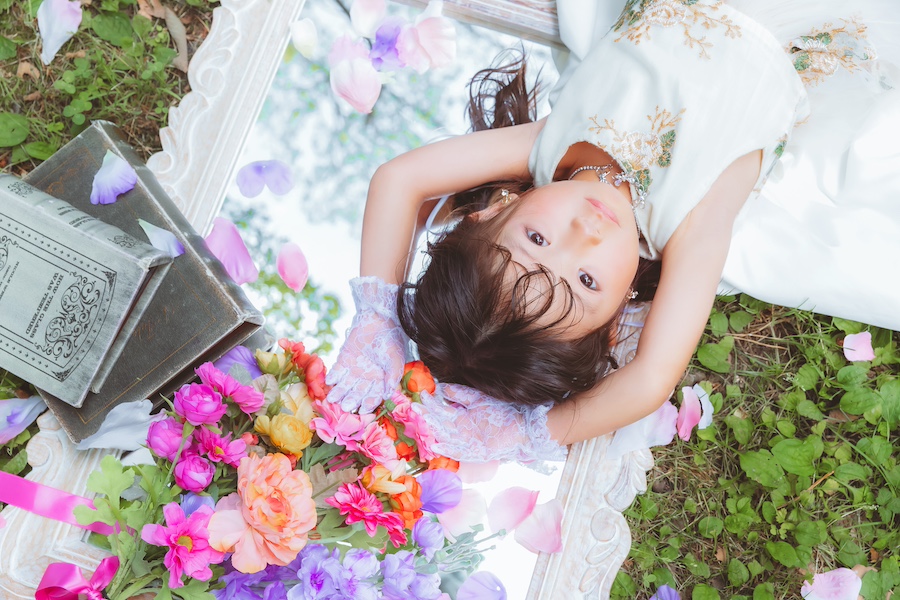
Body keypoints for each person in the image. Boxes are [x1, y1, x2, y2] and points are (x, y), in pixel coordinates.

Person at [325, 0, 900, 467]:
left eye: (537, 241)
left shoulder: (546, 147)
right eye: (585, 280)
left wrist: (377, 315)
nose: (586, 232)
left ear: (494, 209)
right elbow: (649, 380)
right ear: (621, 308)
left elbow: (398, 180)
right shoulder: (692, 224)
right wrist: (532, 434)